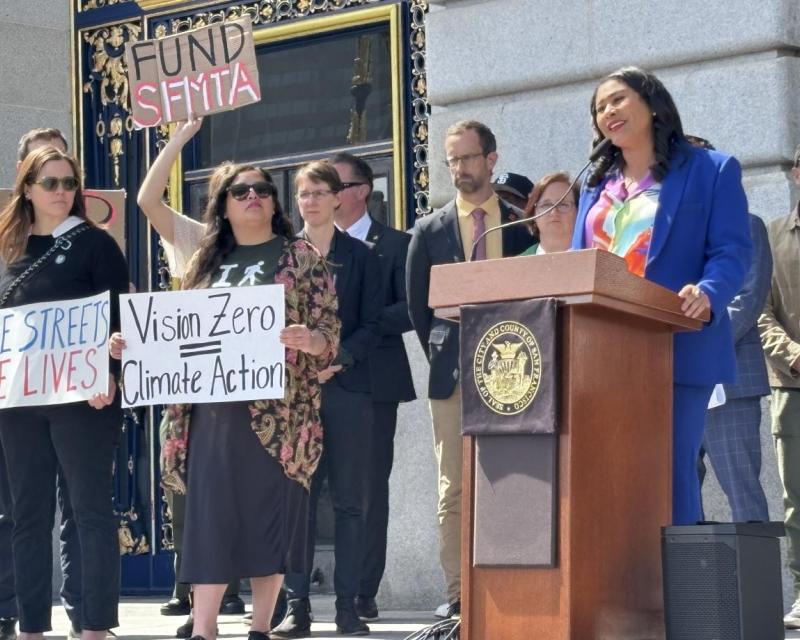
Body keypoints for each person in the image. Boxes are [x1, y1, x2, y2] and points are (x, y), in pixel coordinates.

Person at [117, 117, 340, 640]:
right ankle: (206, 628)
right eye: (241, 191)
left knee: (270, 517)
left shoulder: (302, 258)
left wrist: (313, 341)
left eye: (263, 189)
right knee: (210, 518)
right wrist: (176, 140)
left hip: (280, 414)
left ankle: (261, 626)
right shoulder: (202, 253)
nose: (254, 197)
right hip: (211, 413)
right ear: (224, 203)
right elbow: (148, 201)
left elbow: (330, 327)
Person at [571, 66, 751, 525]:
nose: (606, 112)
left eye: (617, 100)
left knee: (669, 472)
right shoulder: (595, 186)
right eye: (598, 107)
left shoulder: (711, 169)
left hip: (677, 346)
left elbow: (731, 250)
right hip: (598, 353)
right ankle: (616, 590)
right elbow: (576, 264)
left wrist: (708, 293)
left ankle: (673, 593)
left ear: (652, 104)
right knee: (606, 475)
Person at [0, 146, 128, 639]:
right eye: (50, 183)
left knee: (90, 509)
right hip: (19, 402)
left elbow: (118, 317)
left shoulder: (96, 245)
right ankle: (32, 627)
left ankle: (95, 627)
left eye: (69, 183)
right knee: (26, 515)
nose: (61, 192)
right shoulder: (8, 247)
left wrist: (109, 370)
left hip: (83, 397)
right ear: (27, 188)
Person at [406, 120, 531, 618]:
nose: (459, 169)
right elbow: (419, 309)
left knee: (516, 479)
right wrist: (445, 349)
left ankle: (515, 586)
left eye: (468, 158)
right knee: (454, 485)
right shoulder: (429, 229)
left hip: (516, 374)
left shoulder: (523, 222)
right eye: (451, 160)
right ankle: (459, 594)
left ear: (491, 159)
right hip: (453, 376)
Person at [273, 161, 381, 638]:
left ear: (339, 198)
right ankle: (298, 606)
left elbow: (373, 324)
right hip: (294, 397)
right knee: (298, 500)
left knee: (351, 503)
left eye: (320, 192)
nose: (311, 201)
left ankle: (347, 608)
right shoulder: (280, 258)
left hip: (346, 392)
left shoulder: (362, 257)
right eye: (303, 193)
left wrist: (343, 358)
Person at [328, 152, 416, 622]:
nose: (325, 193)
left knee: (365, 489)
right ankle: (294, 592)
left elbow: (411, 307)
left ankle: (363, 589)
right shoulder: (305, 246)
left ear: (361, 190)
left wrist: (360, 329)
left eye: (334, 184)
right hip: (316, 381)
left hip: (373, 381)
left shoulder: (398, 244)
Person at [685, 136, 771, 523]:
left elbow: (747, 300)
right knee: (680, 494)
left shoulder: (747, 226)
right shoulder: (669, 236)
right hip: (679, 384)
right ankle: (694, 580)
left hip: (730, 384)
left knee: (743, 497)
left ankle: (758, 585)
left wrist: (700, 346)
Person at [758, 143, 800, 629]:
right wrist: (794, 354)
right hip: (792, 387)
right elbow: (761, 313)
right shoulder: (772, 237)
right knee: (798, 500)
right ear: (795, 174)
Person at [520, 172, 579, 255]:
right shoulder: (514, 265)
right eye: (546, 205)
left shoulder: (597, 260)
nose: (554, 212)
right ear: (533, 213)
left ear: (578, 212)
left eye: (563, 205)